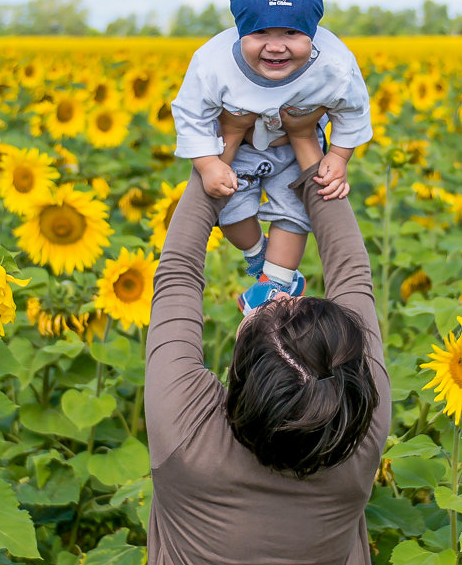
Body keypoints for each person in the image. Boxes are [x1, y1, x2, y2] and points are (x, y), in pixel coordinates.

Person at [145, 108, 390, 565]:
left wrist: (220, 151)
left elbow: (178, 272)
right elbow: (352, 278)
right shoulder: (362, 434)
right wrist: (303, 141)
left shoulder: (186, 435)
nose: (276, 294)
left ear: (240, 367)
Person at [171, 0, 373, 311]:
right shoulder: (214, 62)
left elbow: (353, 110)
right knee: (231, 212)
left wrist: (341, 156)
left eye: (292, 34)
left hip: (294, 155)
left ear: (312, 31)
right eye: (260, 33)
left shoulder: (334, 65)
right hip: (242, 152)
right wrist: (207, 163)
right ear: (239, 31)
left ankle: (273, 287)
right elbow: (190, 112)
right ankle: (256, 256)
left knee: (294, 217)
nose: (275, 46)